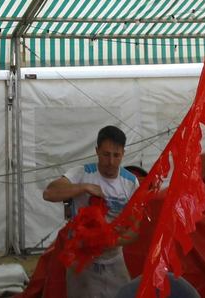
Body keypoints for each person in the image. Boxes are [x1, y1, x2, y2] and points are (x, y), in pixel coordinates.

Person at [43, 125, 140, 298]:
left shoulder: (131, 183)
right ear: (96, 150)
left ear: (123, 154)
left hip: (114, 257)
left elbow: (134, 229)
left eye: (116, 155)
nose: (111, 161)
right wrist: (85, 187)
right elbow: (49, 193)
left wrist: (111, 240)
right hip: (82, 257)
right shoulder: (81, 173)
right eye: (105, 154)